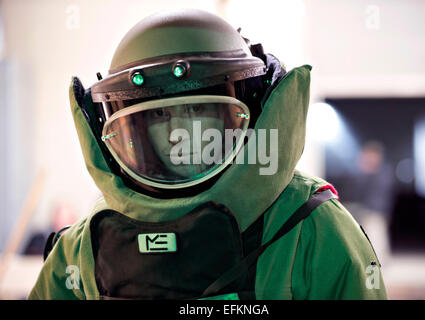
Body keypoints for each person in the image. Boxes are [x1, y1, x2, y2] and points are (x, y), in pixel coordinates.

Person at [28, 9, 387, 300]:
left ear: (248, 113)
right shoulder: (83, 249)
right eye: (157, 115)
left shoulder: (311, 229)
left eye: (199, 111)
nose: (178, 135)